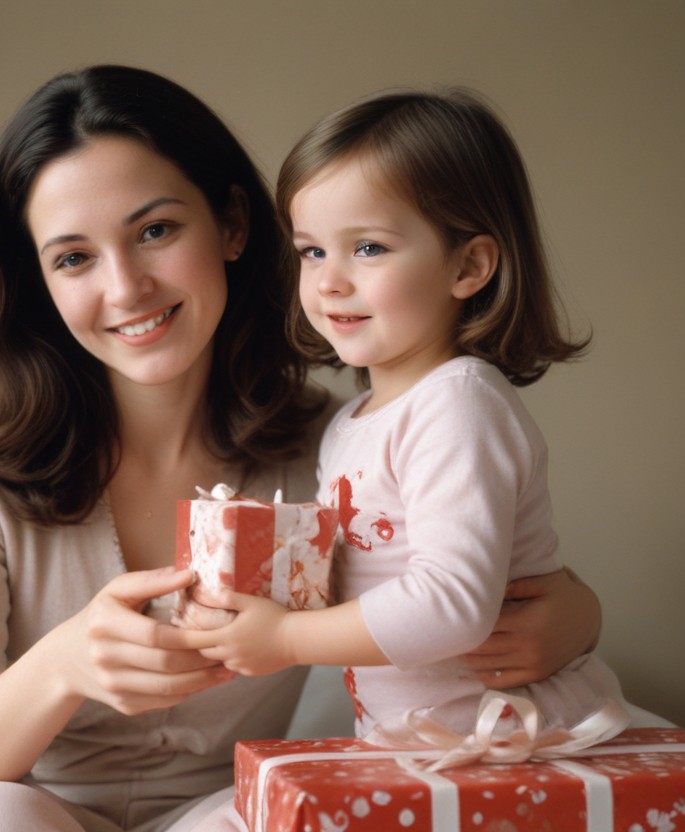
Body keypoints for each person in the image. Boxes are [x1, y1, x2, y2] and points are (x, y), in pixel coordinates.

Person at [0, 65, 603, 832]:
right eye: (74, 258)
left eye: (155, 231)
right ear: (41, 280)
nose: (125, 288)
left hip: (224, 810)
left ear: (232, 225)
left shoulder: (329, 445)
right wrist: (63, 664)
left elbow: (455, 582)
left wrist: (580, 618)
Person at [184, 86, 627, 792]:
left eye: (367, 247)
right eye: (310, 250)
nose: (329, 281)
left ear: (468, 267)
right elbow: (367, 584)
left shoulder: (459, 404)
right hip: (429, 755)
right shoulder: (350, 424)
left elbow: (451, 603)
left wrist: (286, 639)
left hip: (515, 747)